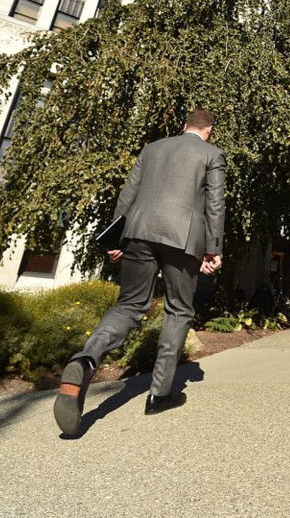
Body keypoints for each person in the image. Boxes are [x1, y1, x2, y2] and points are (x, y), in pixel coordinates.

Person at [53, 108, 226, 436]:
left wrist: (116, 238)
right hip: (184, 239)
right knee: (178, 310)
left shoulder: (153, 148)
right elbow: (215, 204)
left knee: (129, 306)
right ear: (209, 131)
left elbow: (127, 195)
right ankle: (159, 395)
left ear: (184, 125)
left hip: (138, 231)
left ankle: (86, 361)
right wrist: (213, 248)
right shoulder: (212, 154)